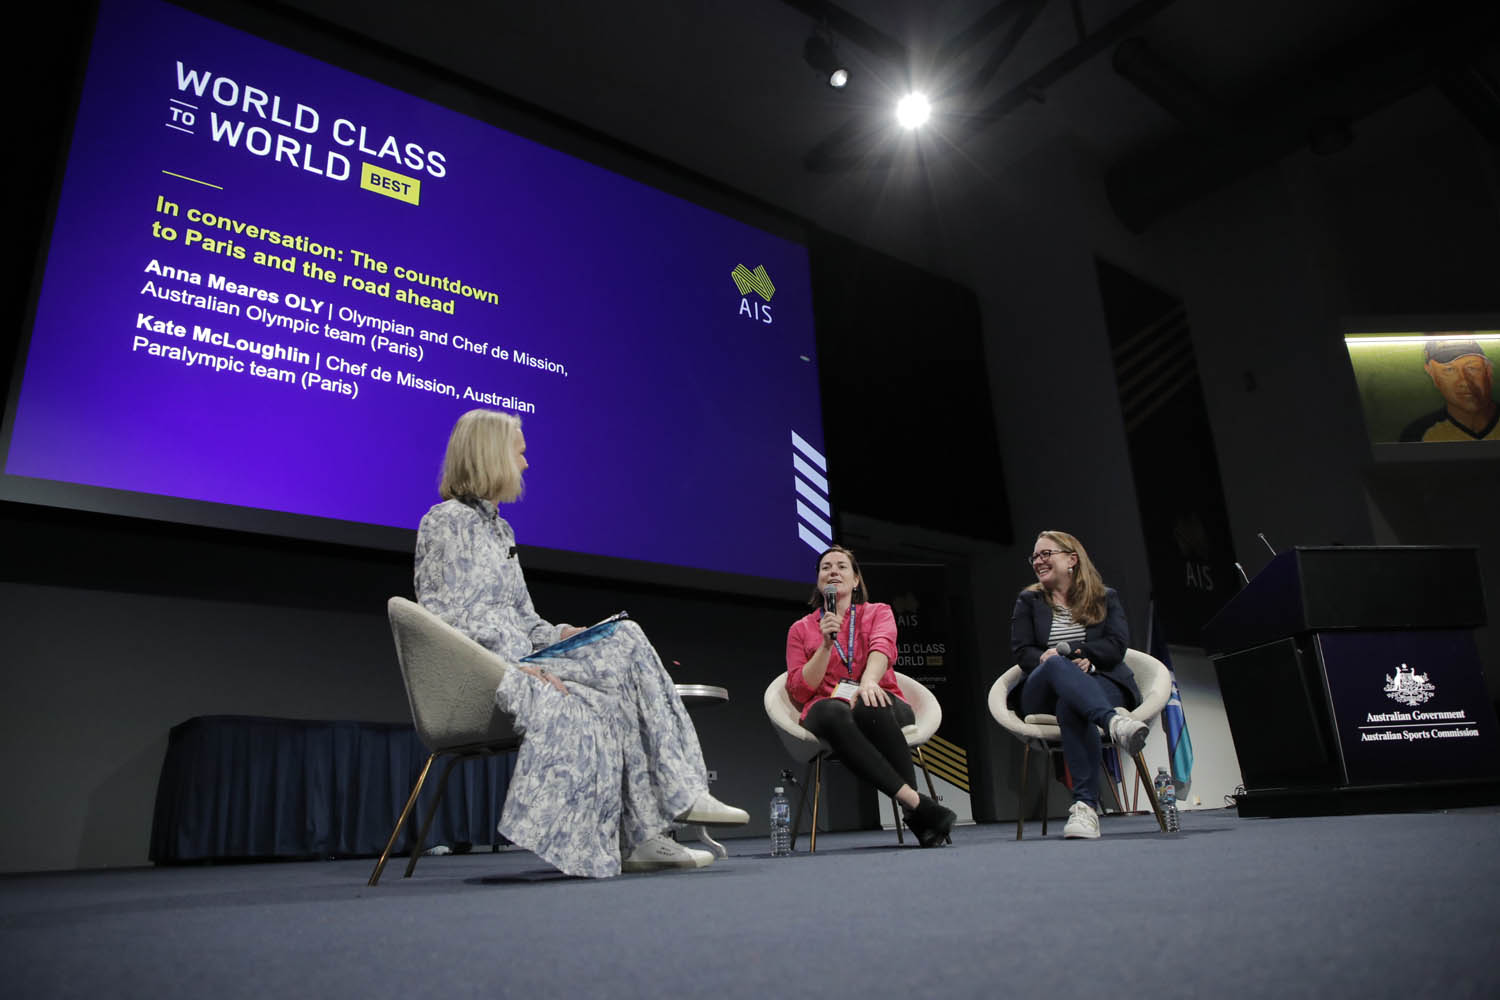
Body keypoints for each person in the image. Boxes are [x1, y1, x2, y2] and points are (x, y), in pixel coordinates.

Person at [414, 408, 748, 878]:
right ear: (492, 454)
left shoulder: (499, 529)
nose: (526, 465)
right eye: (520, 453)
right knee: (626, 644)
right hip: (493, 671)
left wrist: (560, 636)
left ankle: (641, 836)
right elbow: (449, 621)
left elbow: (523, 618)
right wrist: (518, 666)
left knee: (620, 636)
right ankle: (678, 793)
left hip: (525, 655)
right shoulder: (444, 522)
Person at [784, 545, 956, 847]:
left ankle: (917, 811)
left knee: (868, 703)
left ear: (855, 581)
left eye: (841, 566)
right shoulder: (800, 629)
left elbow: (883, 647)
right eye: (825, 567)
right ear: (818, 582)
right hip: (830, 711)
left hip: (883, 699)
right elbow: (800, 689)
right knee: (832, 710)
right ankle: (918, 808)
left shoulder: (878, 612)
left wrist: (868, 682)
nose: (833, 571)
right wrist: (825, 646)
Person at [1010, 531, 1148, 840]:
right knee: (1056, 663)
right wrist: (1060, 657)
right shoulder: (1029, 600)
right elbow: (1021, 651)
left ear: (1072, 559)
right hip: (1041, 690)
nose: (1038, 561)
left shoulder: (1104, 597)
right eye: (1035, 556)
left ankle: (1085, 808)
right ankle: (1114, 722)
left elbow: (1116, 645)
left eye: (1047, 554)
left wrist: (1085, 656)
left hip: (1098, 681)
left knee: (1071, 705)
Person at [1398, 337, 1498, 442]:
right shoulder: (1417, 434)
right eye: (1449, 370)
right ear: (1432, 374)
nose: (1464, 381)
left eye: (1472, 368)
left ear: (1488, 371)